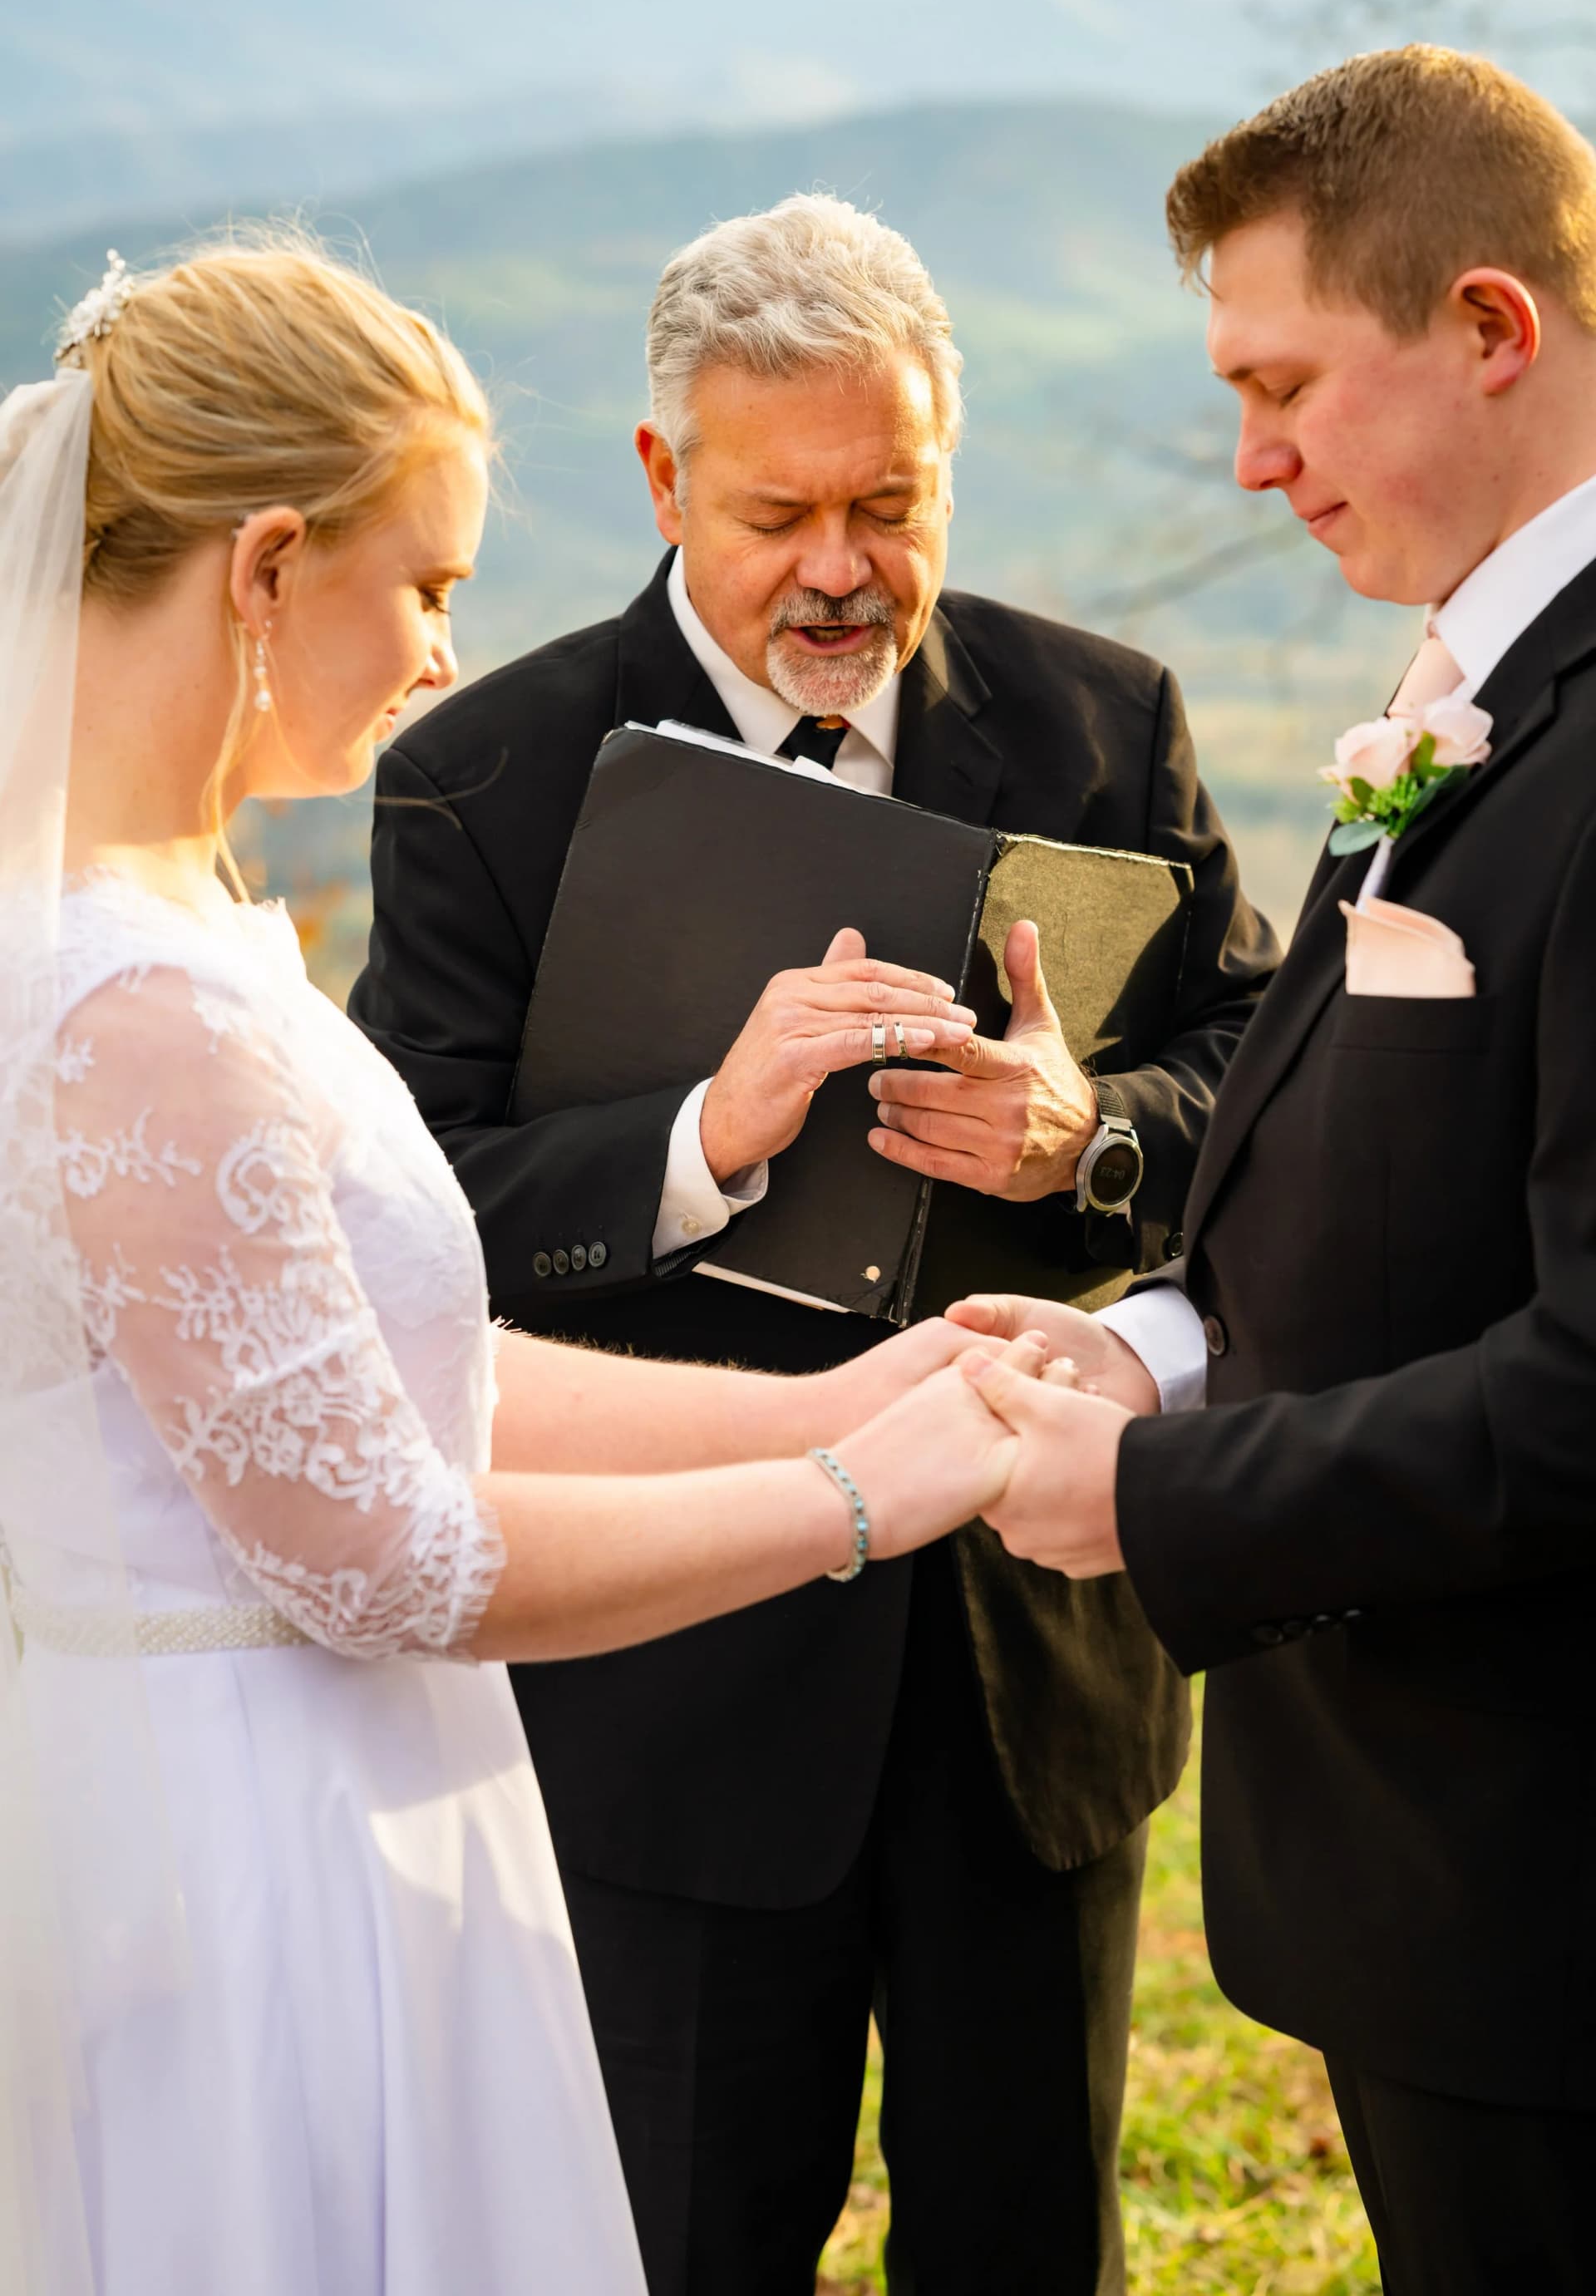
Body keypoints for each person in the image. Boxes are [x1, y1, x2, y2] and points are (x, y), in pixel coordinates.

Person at [0, 235, 1037, 2296]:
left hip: (364, 1794)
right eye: (430, 584)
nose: (446, 654)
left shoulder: (185, 918)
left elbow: (411, 1366)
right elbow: (385, 1553)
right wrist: (850, 1500)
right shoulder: (127, 1005)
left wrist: (844, 1390)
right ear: (268, 565)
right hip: (245, 1867)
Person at [348, 194, 1277, 2296]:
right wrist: (695, 1139)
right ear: (666, 474)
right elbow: (398, 1218)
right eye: (784, 512)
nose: (847, 567)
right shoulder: (481, 781)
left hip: (1025, 1682)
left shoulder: (1099, 723)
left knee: (1030, 2244)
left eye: (895, 499)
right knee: (682, 2245)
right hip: (665, 1707)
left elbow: (1258, 1069)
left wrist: (1089, 1140)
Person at [953, 47, 1596, 2296]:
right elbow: (1381, 1173)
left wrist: (1150, 1508)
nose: (1255, 459)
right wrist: (1152, 1349)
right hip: (1440, 1889)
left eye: (1287, 380)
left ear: (1493, 329)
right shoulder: (1466, 685)